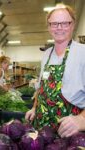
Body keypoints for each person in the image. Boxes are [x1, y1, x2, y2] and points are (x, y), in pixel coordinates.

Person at [25, 4, 85, 138]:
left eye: (65, 23)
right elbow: (41, 88)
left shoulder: (82, 53)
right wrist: (35, 107)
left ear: (72, 25)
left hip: (69, 132)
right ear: (49, 27)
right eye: (54, 23)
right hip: (41, 129)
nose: (59, 28)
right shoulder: (46, 54)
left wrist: (81, 119)